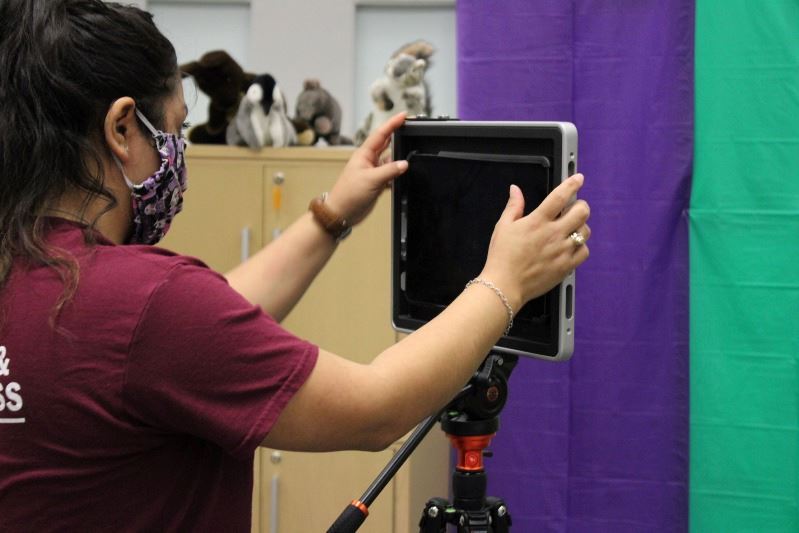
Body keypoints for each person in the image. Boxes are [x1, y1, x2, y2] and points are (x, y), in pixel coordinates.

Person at [0, 0, 591, 530]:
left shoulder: (39, 275)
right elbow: (374, 409)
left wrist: (330, 215)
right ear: (123, 127)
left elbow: (193, 335)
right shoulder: (146, 305)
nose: (178, 154)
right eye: (175, 130)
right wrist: (504, 282)